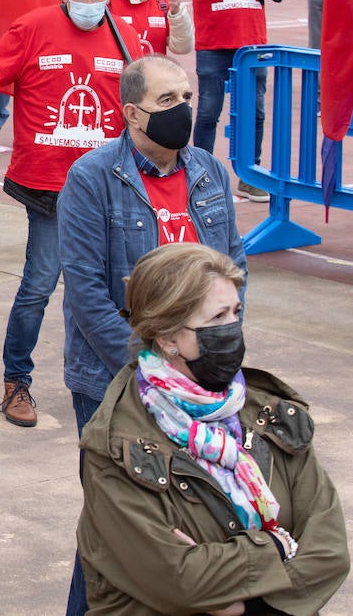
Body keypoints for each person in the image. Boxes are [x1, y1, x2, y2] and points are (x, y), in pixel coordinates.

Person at [58, 56, 245, 615]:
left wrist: (221, 344)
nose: (183, 109)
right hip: (115, 379)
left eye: (186, 95)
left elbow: (233, 266)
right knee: (116, 520)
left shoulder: (210, 170)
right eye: (168, 101)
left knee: (195, 515)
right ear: (132, 112)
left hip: (202, 379)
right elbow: (86, 290)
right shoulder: (92, 178)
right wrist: (147, 365)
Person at [77, 243, 350, 614]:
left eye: (236, 313)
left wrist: (239, 597)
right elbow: (180, 580)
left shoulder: (268, 414)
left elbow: (330, 549)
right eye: (217, 317)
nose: (232, 329)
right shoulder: (117, 446)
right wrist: (277, 546)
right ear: (168, 337)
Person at [0, 0, 139, 428]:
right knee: (39, 286)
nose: (90, 5)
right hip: (49, 188)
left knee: (119, 291)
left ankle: (121, 381)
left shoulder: (122, 37)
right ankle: (16, 382)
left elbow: (144, 103)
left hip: (109, 186)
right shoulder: (33, 27)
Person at [188, 0, 283, 200]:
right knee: (208, 111)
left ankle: (249, 174)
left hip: (252, 45)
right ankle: (198, 175)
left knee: (254, 112)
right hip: (215, 42)